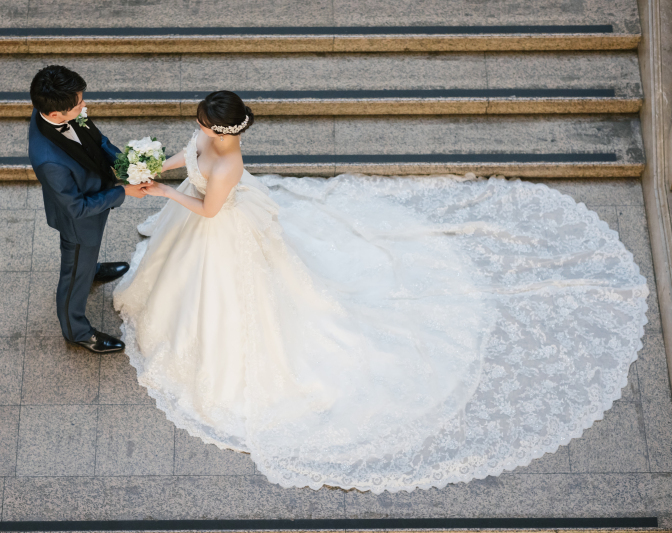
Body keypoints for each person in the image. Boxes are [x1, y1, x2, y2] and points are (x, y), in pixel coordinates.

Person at [113, 91, 649, 493]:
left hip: (220, 227)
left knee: (241, 302)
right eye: (200, 123)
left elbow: (209, 209)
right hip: (197, 222)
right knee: (173, 273)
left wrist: (159, 190)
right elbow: (191, 155)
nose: (199, 129)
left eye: (204, 124)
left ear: (224, 129)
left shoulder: (228, 164)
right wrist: (160, 166)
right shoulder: (209, 141)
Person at [28, 65, 147, 354]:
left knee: (85, 261)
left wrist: (126, 166)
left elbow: (97, 140)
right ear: (57, 115)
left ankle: (91, 269)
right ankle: (77, 331)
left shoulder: (55, 109)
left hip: (92, 200)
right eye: (80, 103)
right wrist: (123, 191)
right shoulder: (49, 161)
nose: (85, 106)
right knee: (73, 276)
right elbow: (78, 208)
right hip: (78, 222)